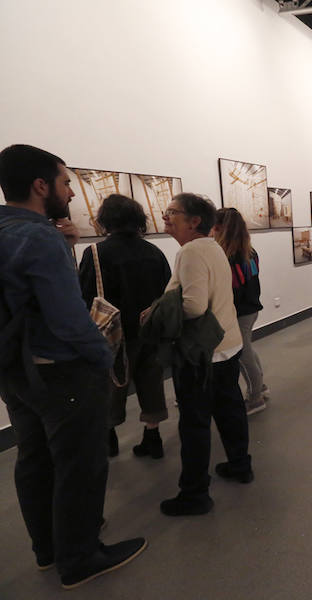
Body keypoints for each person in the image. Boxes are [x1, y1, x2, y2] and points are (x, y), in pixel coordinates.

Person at [0, 144, 146, 588]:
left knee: (34, 457)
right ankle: (79, 557)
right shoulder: (40, 237)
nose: (72, 193)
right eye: (66, 183)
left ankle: (48, 549)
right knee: (79, 464)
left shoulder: (14, 231)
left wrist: (63, 249)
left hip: (15, 369)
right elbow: (68, 319)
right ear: (40, 185)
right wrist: (105, 356)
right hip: (62, 369)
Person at [158, 192, 253, 516]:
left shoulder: (192, 251)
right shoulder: (213, 247)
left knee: (195, 423)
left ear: (194, 221)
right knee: (230, 409)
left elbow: (194, 306)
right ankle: (240, 465)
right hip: (227, 344)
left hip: (202, 353)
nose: (165, 217)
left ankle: (195, 494)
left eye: (172, 212)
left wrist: (159, 313)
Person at [79, 194, 171, 459]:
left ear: (106, 219)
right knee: (151, 383)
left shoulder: (96, 252)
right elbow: (166, 293)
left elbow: (86, 297)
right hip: (150, 332)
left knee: (110, 387)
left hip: (113, 334)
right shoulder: (153, 252)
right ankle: (152, 437)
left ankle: (109, 440)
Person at [212, 208, 269, 415]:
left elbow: (234, 288)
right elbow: (251, 283)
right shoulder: (249, 252)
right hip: (251, 308)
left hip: (240, 312)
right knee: (247, 349)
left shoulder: (228, 256)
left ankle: (255, 399)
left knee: (243, 354)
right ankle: (261, 386)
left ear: (219, 228)